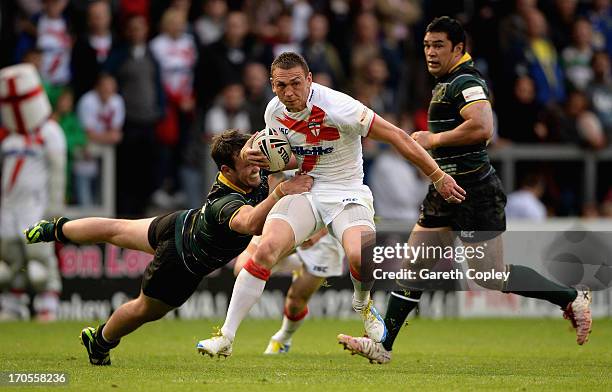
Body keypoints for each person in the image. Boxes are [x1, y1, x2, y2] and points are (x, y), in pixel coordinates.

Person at [337, 17, 593, 365]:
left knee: (489, 275)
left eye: (439, 45)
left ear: (459, 48)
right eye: (427, 45)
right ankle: (383, 345)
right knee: (413, 267)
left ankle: (571, 298)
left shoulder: (465, 80)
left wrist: (433, 139)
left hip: (473, 190)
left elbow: (483, 127)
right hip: (446, 188)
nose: (431, 52)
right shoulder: (445, 82)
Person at [196, 51, 465, 358]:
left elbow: (396, 136)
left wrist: (437, 175)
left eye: (296, 84)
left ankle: (363, 305)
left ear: (309, 79)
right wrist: (273, 174)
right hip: (306, 189)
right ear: (272, 85)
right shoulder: (273, 112)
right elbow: (284, 162)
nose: (289, 93)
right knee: (265, 249)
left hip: (346, 190)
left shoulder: (340, 107)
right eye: (281, 86)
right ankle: (226, 337)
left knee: (360, 255)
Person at [23, 129, 313, 365]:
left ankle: (52, 228)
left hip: (179, 223)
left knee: (116, 228)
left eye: (256, 160)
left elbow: (283, 161)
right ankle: (99, 342)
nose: (256, 167)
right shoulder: (224, 203)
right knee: (144, 309)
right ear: (227, 169)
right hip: (181, 260)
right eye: (248, 163)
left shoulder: (245, 173)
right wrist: (280, 191)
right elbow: (252, 224)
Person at [0, 63, 66, 321]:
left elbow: (58, 173)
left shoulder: (50, 132)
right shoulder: (9, 139)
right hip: (9, 207)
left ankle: (47, 305)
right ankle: (12, 305)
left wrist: (55, 207)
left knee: (39, 261)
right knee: (9, 261)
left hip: (35, 206)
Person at [234, 228, 343, 354]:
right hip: (286, 221)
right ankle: (226, 335)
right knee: (242, 268)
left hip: (322, 240)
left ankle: (283, 338)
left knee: (295, 303)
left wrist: (322, 229)